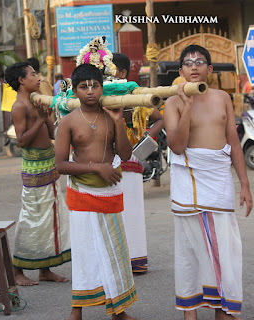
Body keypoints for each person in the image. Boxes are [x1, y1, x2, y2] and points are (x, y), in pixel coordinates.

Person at [164, 45, 253, 320]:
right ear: (180, 72)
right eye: (188, 63)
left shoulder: (223, 97)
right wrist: (188, 105)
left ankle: (221, 308)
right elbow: (176, 147)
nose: (194, 66)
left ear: (209, 70)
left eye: (200, 62)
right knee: (190, 250)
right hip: (190, 184)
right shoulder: (172, 102)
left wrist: (245, 185)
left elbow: (234, 144)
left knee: (226, 247)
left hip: (219, 184)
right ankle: (190, 312)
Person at [55, 63, 137, 320]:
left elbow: (125, 154)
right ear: (75, 91)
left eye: (95, 86)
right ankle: (76, 310)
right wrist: (97, 167)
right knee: (84, 252)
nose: (90, 91)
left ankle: (118, 310)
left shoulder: (111, 115)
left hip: (108, 192)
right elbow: (60, 165)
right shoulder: (67, 122)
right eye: (83, 87)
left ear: (102, 87)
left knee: (113, 251)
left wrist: (118, 123)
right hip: (82, 193)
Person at [4, 62, 71, 286]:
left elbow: (51, 132)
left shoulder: (36, 100)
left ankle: (45, 270)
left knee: (49, 218)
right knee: (31, 218)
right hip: (33, 168)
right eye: (33, 74)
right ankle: (17, 270)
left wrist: (49, 116)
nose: (38, 77)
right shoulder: (19, 106)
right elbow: (21, 141)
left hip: (48, 164)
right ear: (21, 80)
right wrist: (42, 119)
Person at [112, 52, 163, 274]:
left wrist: (146, 140)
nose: (106, 73)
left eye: (109, 69)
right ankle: (114, 261)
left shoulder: (135, 94)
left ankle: (135, 261)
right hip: (108, 160)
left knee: (131, 211)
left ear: (122, 72)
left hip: (132, 158)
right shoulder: (100, 93)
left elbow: (159, 118)